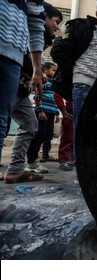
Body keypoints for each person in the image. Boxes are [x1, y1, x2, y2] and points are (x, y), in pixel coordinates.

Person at [50, 0, 97, 183]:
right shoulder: (80, 27)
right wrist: (76, 73)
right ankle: (83, 174)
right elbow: (58, 50)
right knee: (83, 131)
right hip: (83, 86)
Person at [1, 0, 45, 183]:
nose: (57, 26)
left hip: (12, 57)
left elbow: (35, 23)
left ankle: (16, 169)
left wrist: (37, 71)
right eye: (56, 21)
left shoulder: (31, 19)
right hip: (14, 71)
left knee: (26, 124)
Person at [26, 62, 60, 173]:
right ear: (45, 70)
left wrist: (56, 113)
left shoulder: (52, 82)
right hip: (43, 111)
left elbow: (53, 98)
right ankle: (33, 159)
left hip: (50, 111)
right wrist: (40, 110)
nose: (54, 73)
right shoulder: (42, 81)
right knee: (39, 135)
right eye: (53, 70)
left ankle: (45, 155)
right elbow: (37, 95)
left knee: (48, 134)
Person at [54, 93, 74, 171]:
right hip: (70, 111)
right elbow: (57, 93)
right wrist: (63, 109)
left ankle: (73, 159)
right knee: (68, 137)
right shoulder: (70, 81)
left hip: (84, 109)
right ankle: (64, 160)